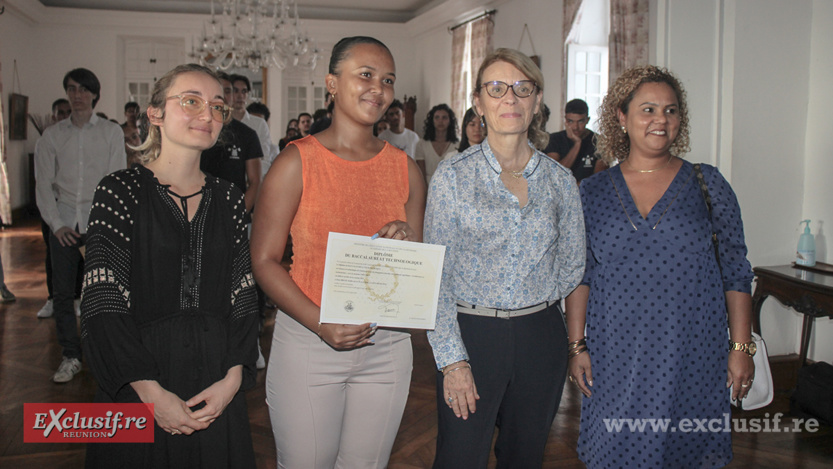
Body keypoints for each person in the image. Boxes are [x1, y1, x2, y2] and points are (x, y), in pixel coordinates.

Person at [565, 65, 755, 468]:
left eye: (670, 110)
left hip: (694, 352)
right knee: (617, 451)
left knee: (687, 451)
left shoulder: (707, 184)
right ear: (622, 116)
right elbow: (581, 273)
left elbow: (735, 269)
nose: (661, 120)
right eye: (648, 109)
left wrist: (740, 348)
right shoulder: (593, 192)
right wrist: (577, 346)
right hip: (617, 354)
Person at [252, 36, 426, 468]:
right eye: (365, 75)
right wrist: (320, 322)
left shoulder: (405, 169)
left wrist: (407, 241)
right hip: (310, 337)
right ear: (332, 83)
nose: (378, 88)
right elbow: (264, 261)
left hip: (386, 343)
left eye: (388, 80)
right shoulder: (296, 162)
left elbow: (415, 268)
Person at [81, 63, 259, 468]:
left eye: (218, 106)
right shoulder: (118, 191)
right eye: (191, 101)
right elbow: (103, 298)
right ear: (156, 113)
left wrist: (233, 379)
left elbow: (244, 293)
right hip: (137, 378)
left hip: (216, 382)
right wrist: (150, 393)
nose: (208, 114)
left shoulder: (230, 198)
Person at [424, 48, 585, 468]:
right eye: (496, 88)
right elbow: (436, 276)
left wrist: (537, 296)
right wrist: (452, 360)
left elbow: (573, 263)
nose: (509, 98)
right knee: (460, 457)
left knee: (524, 457)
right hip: (472, 335)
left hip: (540, 336)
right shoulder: (453, 176)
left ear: (537, 100)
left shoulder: (560, 181)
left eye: (522, 88)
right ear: (478, 102)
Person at [34, 68, 126, 382]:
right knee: (62, 293)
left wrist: (105, 224)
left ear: (94, 95)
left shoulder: (110, 133)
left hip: (98, 223)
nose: (77, 95)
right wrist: (56, 224)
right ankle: (70, 355)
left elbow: (116, 182)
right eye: (72, 89)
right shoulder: (52, 136)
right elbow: (43, 185)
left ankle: (99, 354)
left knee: (99, 293)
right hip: (63, 224)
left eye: (84, 90)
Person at [36, 98, 83, 319]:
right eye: (60, 113)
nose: (64, 116)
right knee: (53, 256)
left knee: (79, 254)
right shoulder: (46, 140)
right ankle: (52, 299)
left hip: (76, 206)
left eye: (67, 112)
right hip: (53, 206)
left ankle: (77, 297)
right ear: (54, 116)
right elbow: (42, 178)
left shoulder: (78, 139)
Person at [545, 98, 605, 183]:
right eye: (571, 121)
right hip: (559, 190)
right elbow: (554, 173)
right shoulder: (555, 139)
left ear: (587, 120)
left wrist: (575, 188)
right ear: (565, 120)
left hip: (586, 190)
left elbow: (599, 178)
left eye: (580, 121)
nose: (575, 127)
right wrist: (577, 144)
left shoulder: (599, 141)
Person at [414, 103, 459, 183]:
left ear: (450, 121)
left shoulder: (458, 144)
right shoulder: (421, 144)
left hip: (451, 186)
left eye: (444, 117)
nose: (440, 121)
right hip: (428, 186)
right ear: (432, 120)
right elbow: (420, 175)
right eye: (437, 117)